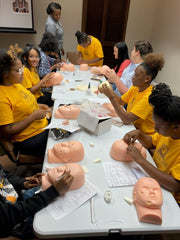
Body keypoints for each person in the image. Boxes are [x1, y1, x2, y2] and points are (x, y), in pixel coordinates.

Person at [123, 83, 180, 205]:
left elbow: (175, 186)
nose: (155, 128)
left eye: (158, 126)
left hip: (170, 198)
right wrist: (140, 134)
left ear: (175, 126)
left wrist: (141, 161)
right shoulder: (169, 133)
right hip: (154, 178)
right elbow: (151, 144)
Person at [0, 46, 50, 158]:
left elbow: (24, 104)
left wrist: (39, 105)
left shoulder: (17, 85)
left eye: (22, 68)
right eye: (18, 70)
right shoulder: (2, 98)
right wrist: (33, 117)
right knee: (62, 140)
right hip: (28, 138)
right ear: (4, 72)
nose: (22, 72)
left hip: (40, 127)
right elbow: (7, 131)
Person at [99, 53, 164, 136]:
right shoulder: (136, 87)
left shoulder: (149, 97)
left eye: (136, 75)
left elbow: (127, 119)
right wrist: (109, 91)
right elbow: (121, 101)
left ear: (147, 79)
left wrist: (111, 96)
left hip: (142, 135)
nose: (133, 77)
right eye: (134, 74)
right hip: (132, 127)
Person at [0, 165, 73, 238]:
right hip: (15, 221)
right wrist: (53, 192)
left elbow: (5, 175)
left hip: (18, 199)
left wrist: (23, 183)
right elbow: (9, 214)